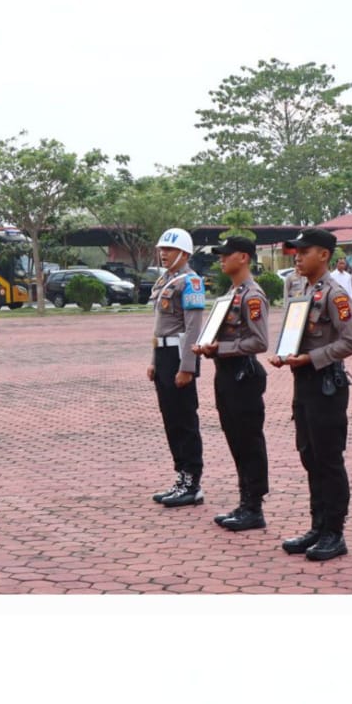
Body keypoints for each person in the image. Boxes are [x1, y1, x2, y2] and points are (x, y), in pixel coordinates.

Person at [270, 227, 352, 564]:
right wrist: (285, 353)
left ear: (323, 255)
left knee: (328, 459)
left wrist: (312, 357)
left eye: (304, 251)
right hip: (303, 381)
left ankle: (334, 533)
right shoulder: (300, 288)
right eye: (296, 251)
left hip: (326, 385)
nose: (297, 257)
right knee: (309, 454)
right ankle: (317, 526)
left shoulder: (335, 293)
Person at [192, 236, 270, 532]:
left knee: (249, 440)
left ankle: (254, 506)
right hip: (227, 373)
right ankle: (244, 502)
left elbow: (259, 341)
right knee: (235, 438)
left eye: (227, 254)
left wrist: (219, 349)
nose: (221, 259)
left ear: (244, 258)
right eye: (220, 255)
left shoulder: (252, 295)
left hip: (243, 374)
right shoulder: (232, 293)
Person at [146, 227, 207, 509]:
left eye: (168, 250)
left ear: (183, 253)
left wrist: (188, 367)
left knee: (184, 419)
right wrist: (153, 360)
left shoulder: (191, 282)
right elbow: (159, 326)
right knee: (170, 419)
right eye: (162, 249)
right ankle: (180, 476)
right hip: (163, 353)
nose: (163, 253)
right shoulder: (166, 279)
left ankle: (192, 482)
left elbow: (193, 328)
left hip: (179, 353)